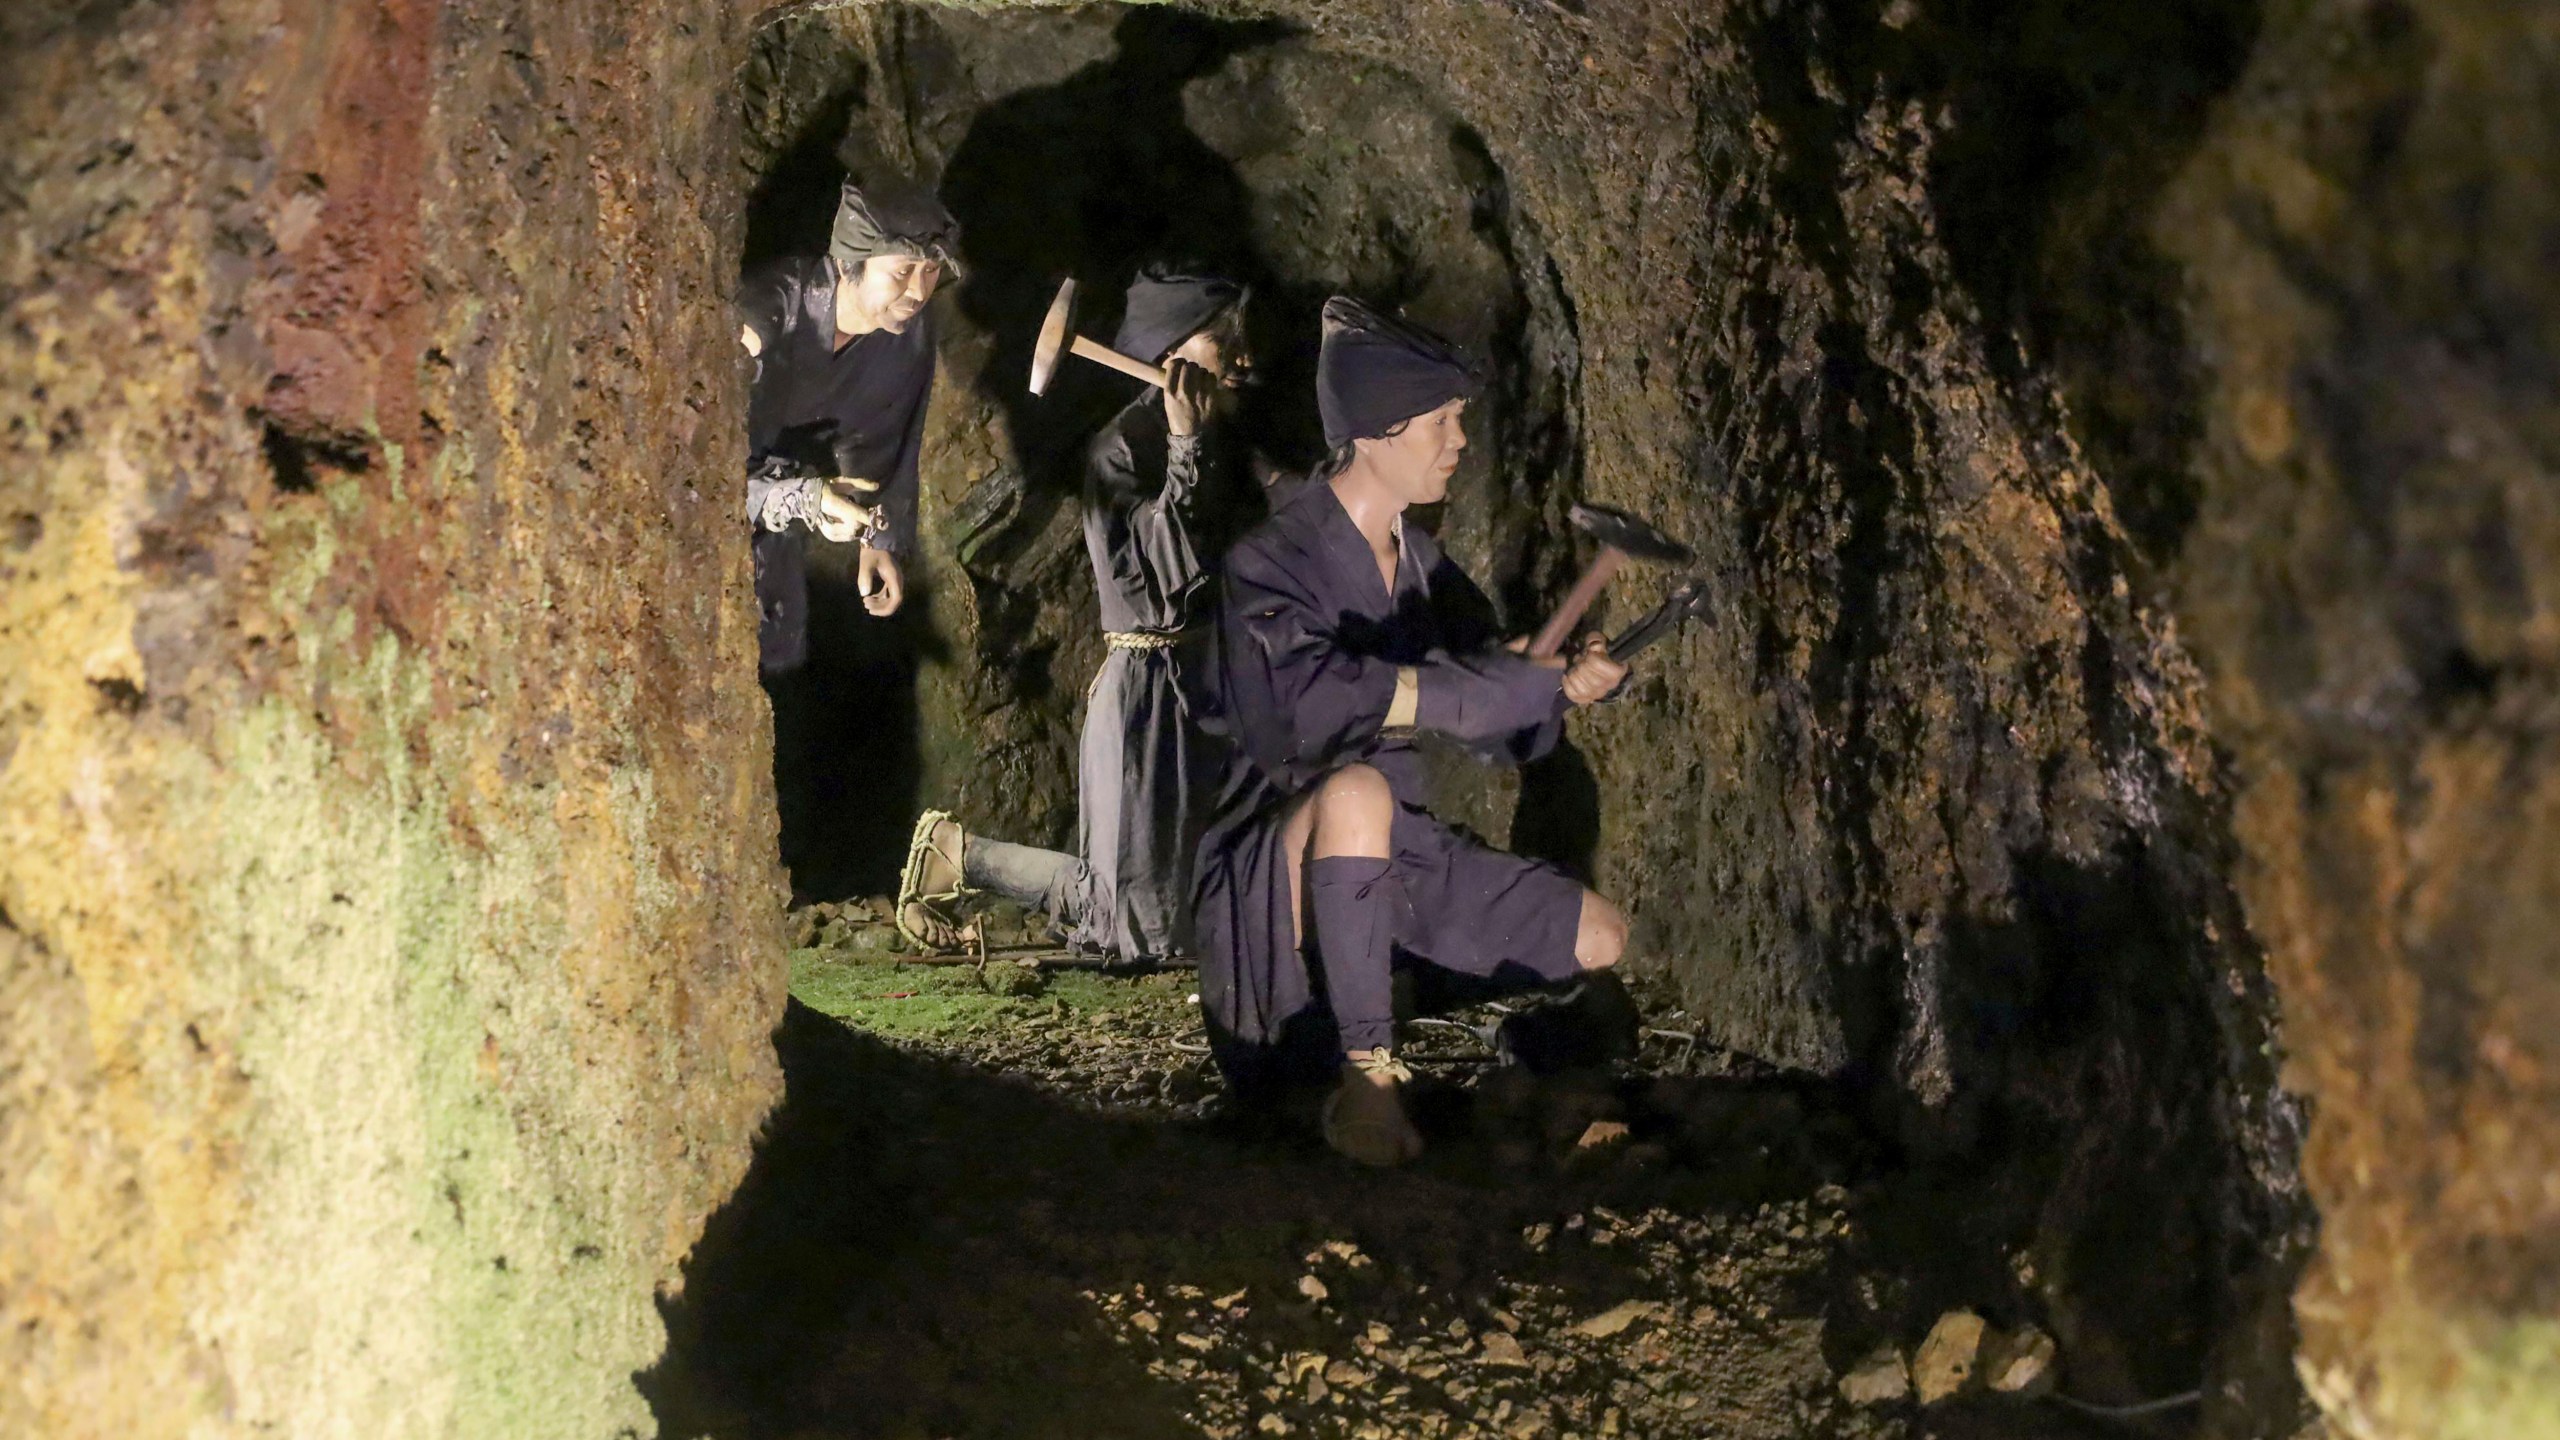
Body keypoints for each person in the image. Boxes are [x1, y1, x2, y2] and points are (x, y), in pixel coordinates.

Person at [1191, 297, 1632, 1167]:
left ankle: (1406, 1006)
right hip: (1273, 886)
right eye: (1442, 419)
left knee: (1600, 936)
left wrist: (1558, 688)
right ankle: (1365, 1078)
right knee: (1357, 793)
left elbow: (1493, 713)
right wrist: (1450, 693)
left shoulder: (1423, 569)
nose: (1459, 440)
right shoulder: (1266, 563)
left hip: (1398, 856)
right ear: (1379, 431)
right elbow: (1297, 718)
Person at [897, 267, 1262, 965]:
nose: (1243, 359)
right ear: (1171, 356)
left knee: (1188, 920)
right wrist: (1186, 452)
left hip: (1201, 684)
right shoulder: (1120, 449)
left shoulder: (1221, 441)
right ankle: (959, 854)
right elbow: (1164, 583)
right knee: (1136, 932)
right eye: (1223, 341)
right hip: (1146, 692)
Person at [738, 176, 959, 673]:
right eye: (903, 270)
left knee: (774, 644)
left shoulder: (902, 335)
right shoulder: (765, 315)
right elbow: (694, 463)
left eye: (929, 272)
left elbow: (889, 432)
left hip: (776, 510)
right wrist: (802, 499)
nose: (918, 291)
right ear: (847, 263)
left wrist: (877, 538)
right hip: (723, 496)